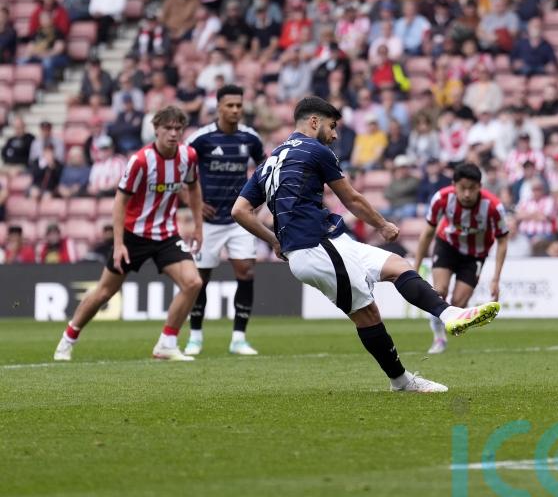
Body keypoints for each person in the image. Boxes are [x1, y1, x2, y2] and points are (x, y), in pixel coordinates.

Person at [232, 97, 501, 393]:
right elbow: (352, 199)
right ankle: (401, 381)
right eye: (332, 127)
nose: (335, 135)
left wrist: (274, 240)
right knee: (367, 314)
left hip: (328, 241)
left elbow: (240, 210)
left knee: (399, 266)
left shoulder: (270, 161)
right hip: (316, 249)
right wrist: (383, 225)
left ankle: (449, 314)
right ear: (313, 122)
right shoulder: (315, 150)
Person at [53, 106, 204, 362]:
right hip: (134, 235)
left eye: (178, 128)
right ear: (155, 129)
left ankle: (166, 343)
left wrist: (198, 226)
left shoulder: (188, 156)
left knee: (193, 283)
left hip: (167, 234)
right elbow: (120, 202)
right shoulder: (141, 160)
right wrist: (119, 244)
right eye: (168, 128)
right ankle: (68, 338)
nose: (173, 133)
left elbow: (194, 189)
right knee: (104, 292)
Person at [184, 85, 265, 356]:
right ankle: (195, 336)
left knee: (247, 272)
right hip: (207, 223)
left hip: (238, 220)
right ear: (218, 107)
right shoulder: (201, 139)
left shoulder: (250, 138)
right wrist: (194, 205)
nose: (235, 110)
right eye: (229, 105)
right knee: (200, 279)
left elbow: (265, 171)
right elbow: (180, 173)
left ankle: (239, 338)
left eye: (238, 105)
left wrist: (253, 201)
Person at [413, 163, 509, 355]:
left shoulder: (493, 207)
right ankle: (438, 337)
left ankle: (445, 324)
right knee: (438, 291)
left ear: (480, 187)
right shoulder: (441, 198)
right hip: (447, 245)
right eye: (462, 188)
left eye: (471, 189)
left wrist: (496, 279)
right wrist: (414, 270)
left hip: (475, 255)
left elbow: (503, 241)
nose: (466, 194)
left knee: (457, 305)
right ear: (454, 185)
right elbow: (427, 234)